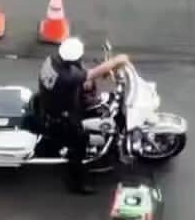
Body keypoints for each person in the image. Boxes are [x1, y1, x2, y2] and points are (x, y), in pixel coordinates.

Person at [35, 37, 131, 193]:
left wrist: (87, 79)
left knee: (89, 95)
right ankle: (77, 184)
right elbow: (92, 73)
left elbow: (82, 73)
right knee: (79, 144)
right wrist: (116, 61)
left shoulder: (53, 59)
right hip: (59, 116)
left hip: (51, 98)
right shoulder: (68, 76)